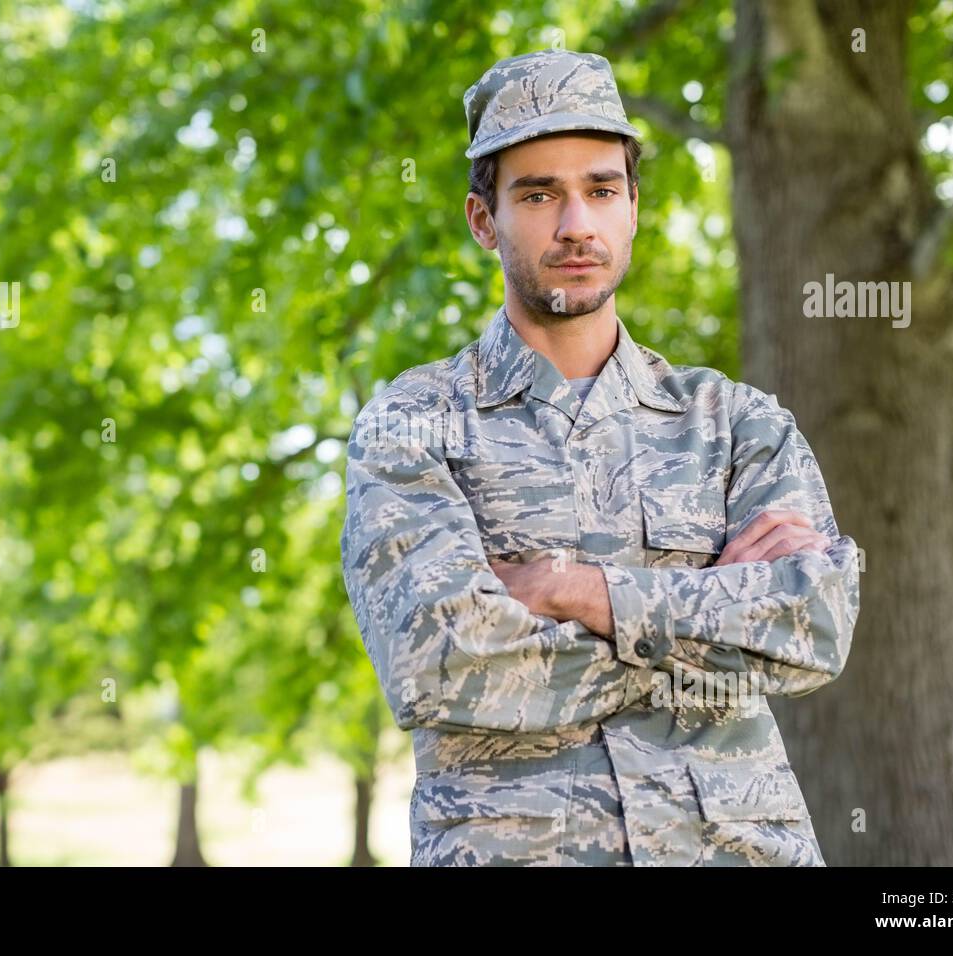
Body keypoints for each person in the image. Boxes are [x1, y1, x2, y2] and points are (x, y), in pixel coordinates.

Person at [339, 49, 861, 866]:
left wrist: (569, 591)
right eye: (539, 194)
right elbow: (439, 663)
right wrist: (711, 628)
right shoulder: (415, 423)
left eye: (601, 189)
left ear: (633, 207)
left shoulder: (733, 422)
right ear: (484, 221)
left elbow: (815, 625)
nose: (576, 223)